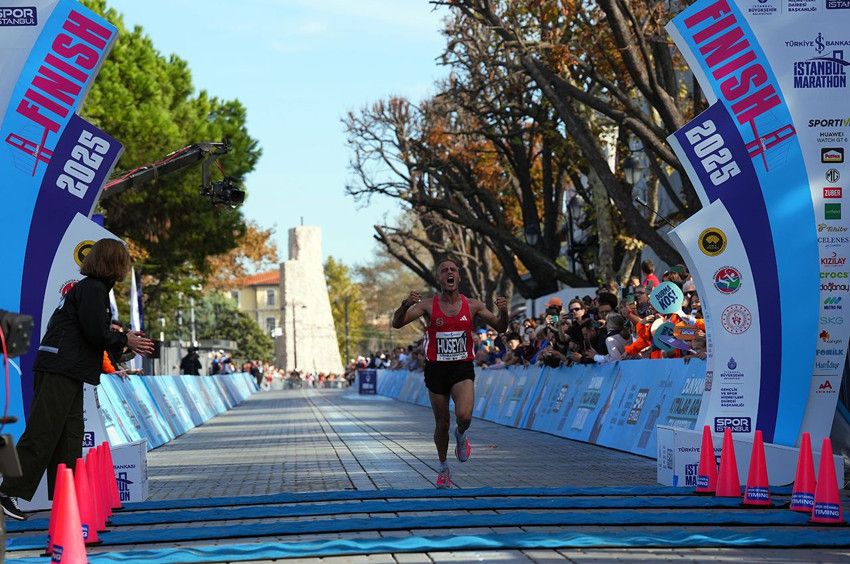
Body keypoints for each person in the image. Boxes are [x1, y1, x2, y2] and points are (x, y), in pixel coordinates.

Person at [0, 239, 154, 521]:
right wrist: (124, 339)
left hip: (67, 368)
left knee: (69, 437)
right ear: (113, 262)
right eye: (123, 260)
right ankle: (7, 491)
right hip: (60, 368)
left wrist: (123, 343)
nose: (125, 265)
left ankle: (67, 496)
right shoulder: (93, 289)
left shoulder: (92, 289)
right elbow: (95, 333)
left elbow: (92, 335)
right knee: (44, 432)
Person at [392, 258, 508, 488]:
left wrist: (504, 311)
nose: (449, 273)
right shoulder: (427, 305)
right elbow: (397, 323)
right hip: (436, 369)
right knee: (442, 423)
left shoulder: (473, 305)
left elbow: (501, 326)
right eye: (444, 271)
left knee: (464, 416)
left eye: (452, 270)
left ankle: (462, 434)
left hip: (461, 367)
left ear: (459, 277)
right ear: (439, 279)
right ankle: (443, 467)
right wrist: (405, 305)